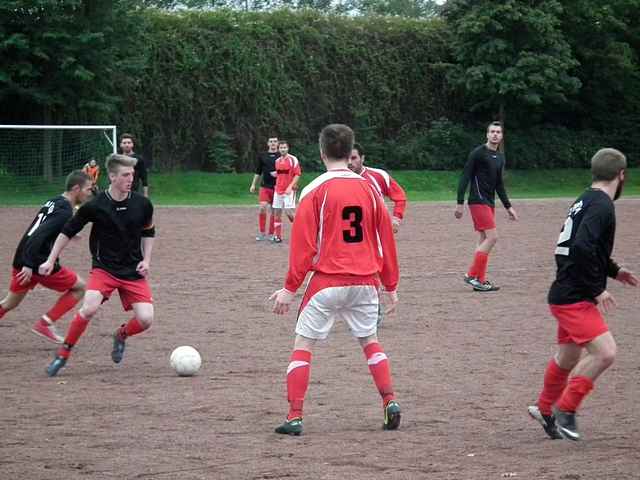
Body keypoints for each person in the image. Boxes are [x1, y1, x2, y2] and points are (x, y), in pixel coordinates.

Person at [270, 124, 401, 435]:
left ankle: (295, 416)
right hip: (366, 282)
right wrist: (391, 285)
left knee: (304, 344)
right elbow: (385, 241)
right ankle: (390, 402)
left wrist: (289, 290)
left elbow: (303, 247)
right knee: (370, 341)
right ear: (350, 152)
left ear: (321, 152)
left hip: (327, 282)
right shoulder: (370, 188)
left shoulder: (314, 189)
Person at [528, 148, 637, 441]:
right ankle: (566, 408)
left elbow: (584, 246)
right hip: (575, 294)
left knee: (567, 356)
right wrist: (597, 288)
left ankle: (544, 408)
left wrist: (614, 271)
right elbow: (581, 248)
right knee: (605, 352)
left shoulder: (585, 198)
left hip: (566, 289)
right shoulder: (602, 205)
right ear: (621, 175)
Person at [39, 153, 156, 377]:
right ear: (112, 177)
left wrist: (146, 259)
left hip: (133, 270)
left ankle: (120, 335)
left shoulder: (143, 204)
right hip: (104, 268)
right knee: (89, 307)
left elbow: (149, 231)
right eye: (125, 175)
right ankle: (63, 354)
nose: (131, 179)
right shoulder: (96, 205)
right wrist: (50, 259)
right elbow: (67, 231)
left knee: (146, 319)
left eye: (132, 174)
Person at [0, 171, 93, 343]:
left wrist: (68, 233)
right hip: (37, 262)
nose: (90, 193)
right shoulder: (64, 211)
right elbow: (39, 235)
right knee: (80, 287)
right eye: (88, 189)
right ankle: (46, 323)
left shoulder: (55, 201)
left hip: (22, 257)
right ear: (76, 188)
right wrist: (28, 264)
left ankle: (45, 323)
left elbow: (42, 226)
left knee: (9, 303)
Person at [455, 121, 518, 292]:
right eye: (492, 131)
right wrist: (460, 202)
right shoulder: (478, 153)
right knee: (492, 237)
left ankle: (480, 281)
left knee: (484, 239)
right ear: (487, 134)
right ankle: (472, 275)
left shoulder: (500, 157)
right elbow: (465, 177)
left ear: (502, 136)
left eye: (498, 132)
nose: (495, 134)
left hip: (489, 203)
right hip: (477, 201)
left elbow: (499, 185)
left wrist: (508, 206)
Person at [348, 143, 407, 233]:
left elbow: (400, 197)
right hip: (348, 232)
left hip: (377, 230)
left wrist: (396, 219)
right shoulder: (333, 180)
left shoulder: (378, 175)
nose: (349, 162)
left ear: (362, 158)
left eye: (353, 158)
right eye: (346, 158)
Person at [271, 140, 301, 243]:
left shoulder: (293, 159)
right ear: (278, 149)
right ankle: (278, 236)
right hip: (278, 190)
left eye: (284, 147)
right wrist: (276, 175)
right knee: (277, 213)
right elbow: (281, 174)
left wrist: (290, 187)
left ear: (288, 148)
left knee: (289, 212)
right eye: (281, 148)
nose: (283, 149)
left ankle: (301, 231)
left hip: (289, 191)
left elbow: (297, 174)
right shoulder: (277, 161)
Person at [249, 136, 279, 241]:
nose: (273, 143)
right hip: (265, 186)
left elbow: (288, 172)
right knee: (262, 207)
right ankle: (262, 233)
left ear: (278, 143)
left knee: (274, 211)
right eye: (271, 141)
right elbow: (258, 171)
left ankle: (271, 233)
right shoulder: (262, 156)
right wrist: (253, 184)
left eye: (275, 141)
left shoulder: (281, 156)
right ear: (268, 143)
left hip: (277, 188)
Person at [119, 133, 149, 197]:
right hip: (119, 192)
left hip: (134, 192)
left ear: (132, 144)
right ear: (121, 145)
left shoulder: (139, 159)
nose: (127, 145)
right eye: (124, 143)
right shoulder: (117, 159)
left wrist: (146, 194)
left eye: (129, 142)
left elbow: (144, 178)